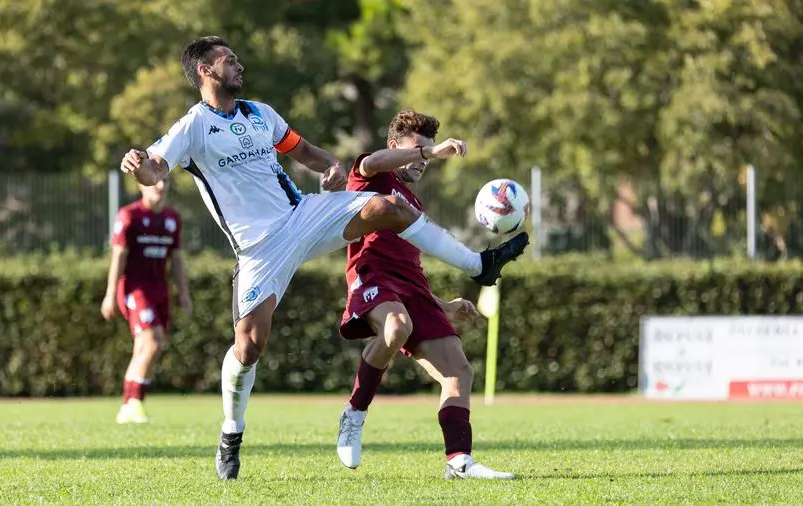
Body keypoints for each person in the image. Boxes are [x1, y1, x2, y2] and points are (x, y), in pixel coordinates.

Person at [119, 36, 529, 480]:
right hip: (259, 248)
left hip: (303, 216)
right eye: (228, 60)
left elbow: (304, 150)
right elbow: (155, 169)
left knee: (389, 208)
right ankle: (231, 431)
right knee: (249, 347)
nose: (238, 64)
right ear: (204, 70)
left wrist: (330, 166)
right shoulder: (193, 126)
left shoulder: (260, 113)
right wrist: (138, 164)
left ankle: (479, 265)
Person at [335, 109, 518, 480]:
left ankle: (459, 460)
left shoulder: (414, 206)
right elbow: (371, 160)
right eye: (416, 149)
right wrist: (429, 152)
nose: (423, 160)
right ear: (396, 146)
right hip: (372, 275)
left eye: (427, 151)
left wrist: (442, 304)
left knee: (459, 372)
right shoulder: (373, 176)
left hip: (412, 289)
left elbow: (412, 273)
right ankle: (354, 413)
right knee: (396, 326)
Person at [101, 174, 193, 424]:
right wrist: (110, 295)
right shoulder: (129, 215)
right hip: (135, 289)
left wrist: (183, 292)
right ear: (141, 185)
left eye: (165, 182)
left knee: (148, 347)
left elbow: (176, 259)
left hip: (159, 289)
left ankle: (126, 405)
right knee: (153, 341)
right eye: (154, 182)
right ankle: (135, 401)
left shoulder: (172, 218)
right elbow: (118, 257)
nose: (161, 186)